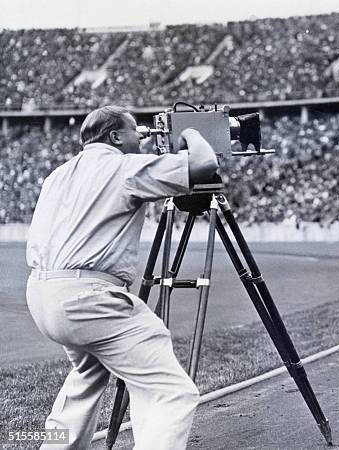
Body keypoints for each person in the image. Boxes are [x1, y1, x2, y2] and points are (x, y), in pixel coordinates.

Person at [26, 105, 219, 449]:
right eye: (135, 132)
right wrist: (189, 132)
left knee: (87, 374)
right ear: (115, 137)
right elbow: (205, 164)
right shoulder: (122, 166)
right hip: (87, 298)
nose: (141, 138)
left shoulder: (57, 174)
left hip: (43, 295)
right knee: (171, 392)